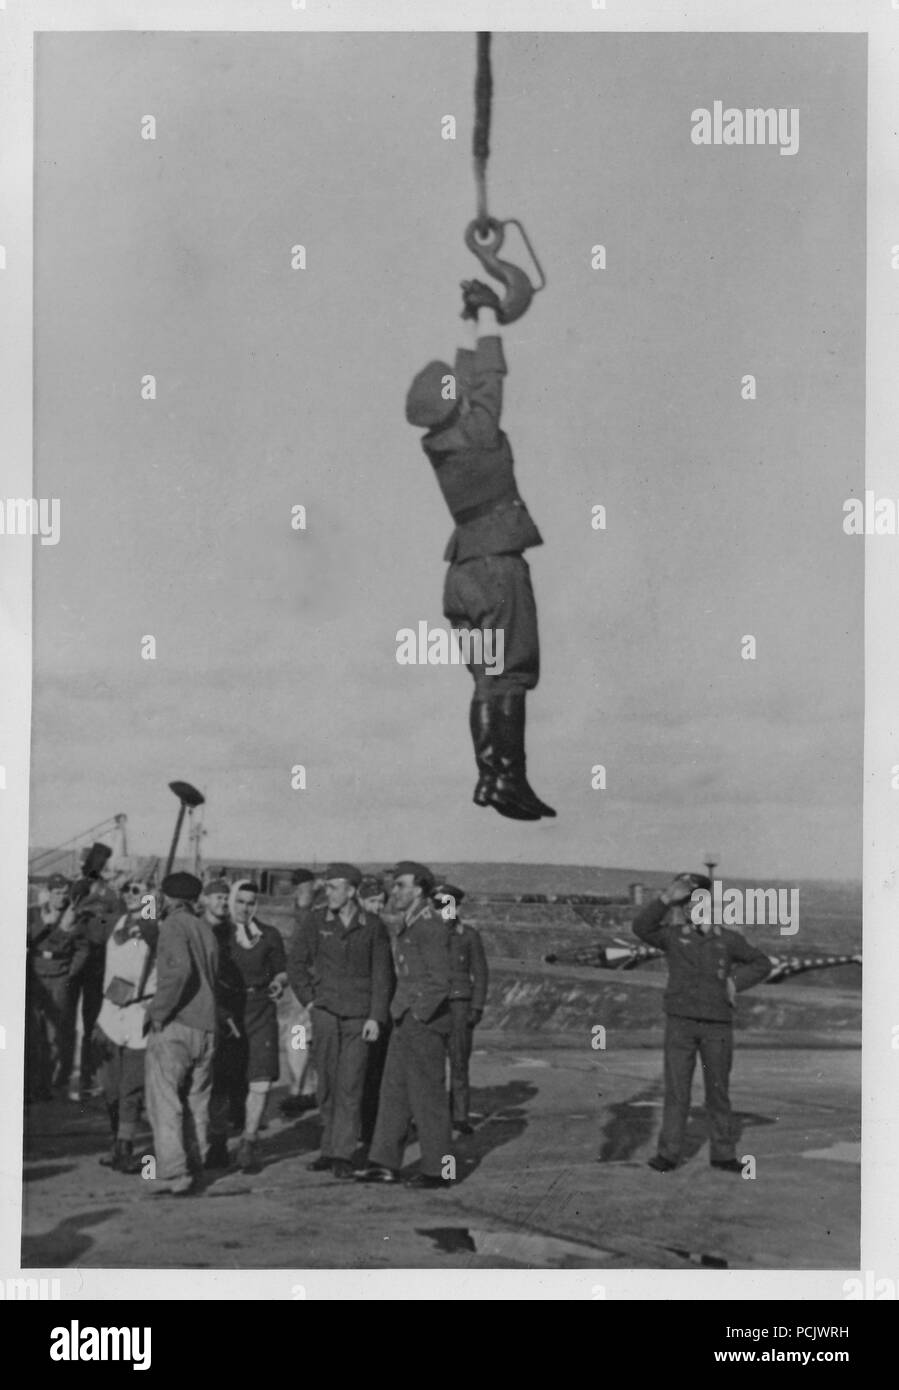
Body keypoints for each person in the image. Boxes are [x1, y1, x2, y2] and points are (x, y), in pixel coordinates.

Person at [405, 280, 555, 821]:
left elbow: (464, 384)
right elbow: (488, 379)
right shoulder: (479, 433)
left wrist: (470, 320)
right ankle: (505, 780)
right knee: (511, 673)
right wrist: (489, 315)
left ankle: (492, 779)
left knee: (488, 677)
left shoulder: (439, 440)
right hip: (496, 567)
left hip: (462, 574)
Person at [632, 872, 772, 1173]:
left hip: (716, 1026)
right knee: (677, 1090)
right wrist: (665, 899)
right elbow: (641, 927)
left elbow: (762, 963)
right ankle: (668, 1154)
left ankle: (723, 1154)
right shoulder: (673, 936)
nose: (691, 909)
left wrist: (735, 982)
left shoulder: (728, 940)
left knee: (718, 1091)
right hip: (680, 1023)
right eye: (685, 904)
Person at [288, 863, 392, 1179]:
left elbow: (382, 976)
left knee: (351, 1084)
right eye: (327, 887)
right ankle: (328, 1148)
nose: (328, 892)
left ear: (351, 891)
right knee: (328, 1086)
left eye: (334, 887)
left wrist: (376, 1016)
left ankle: (343, 1154)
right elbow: (296, 964)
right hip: (325, 1015)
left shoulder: (372, 925)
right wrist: (309, 1000)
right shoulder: (315, 922)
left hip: (359, 1018)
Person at [357, 861, 454, 1190]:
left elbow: (441, 983)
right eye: (393, 885)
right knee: (393, 1094)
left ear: (420, 889)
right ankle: (383, 1163)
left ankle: (439, 1170)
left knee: (428, 1099)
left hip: (423, 1023)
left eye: (400, 885)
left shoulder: (431, 926)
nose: (393, 891)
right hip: (405, 1019)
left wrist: (417, 1015)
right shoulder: (411, 923)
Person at [144, 872, 219, 1196]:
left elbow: (179, 971)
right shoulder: (205, 928)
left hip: (178, 1025)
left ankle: (174, 1171)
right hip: (207, 1027)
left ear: (168, 897)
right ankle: (197, 1165)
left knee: (164, 1100)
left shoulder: (173, 926)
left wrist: (158, 1012)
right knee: (196, 1102)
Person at [220, 879, 288, 1173]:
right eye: (240, 901)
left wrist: (278, 982)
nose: (245, 908)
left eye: (250, 902)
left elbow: (282, 971)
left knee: (260, 1078)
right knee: (224, 1078)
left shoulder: (269, 935)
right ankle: (217, 1143)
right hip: (229, 1012)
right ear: (231, 902)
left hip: (260, 1010)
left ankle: (249, 1142)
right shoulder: (219, 935)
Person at [93, 879, 158, 1172]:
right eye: (128, 890)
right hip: (110, 1011)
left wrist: (149, 908)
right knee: (110, 1085)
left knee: (132, 1085)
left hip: (138, 1011)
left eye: (139, 890)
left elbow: (153, 933)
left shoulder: (156, 925)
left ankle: (125, 1146)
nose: (132, 896)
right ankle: (114, 1138)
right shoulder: (115, 922)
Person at [68, 843, 123, 1100]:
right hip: (72, 960)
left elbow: (120, 922)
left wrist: (95, 917)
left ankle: (89, 1074)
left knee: (93, 1020)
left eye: (100, 863)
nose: (97, 867)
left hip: (99, 961)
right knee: (65, 1019)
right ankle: (65, 1073)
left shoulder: (110, 893)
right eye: (94, 862)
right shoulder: (76, 888)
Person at [26, 873, 88, 1100]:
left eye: (65, 893)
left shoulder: (74, 916)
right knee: (33, 1031)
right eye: (57, 892)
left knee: (55, 1034)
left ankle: (46, 1083)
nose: (61, 898)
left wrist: (70, 972)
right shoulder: (34, 913)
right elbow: (25, 939)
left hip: (59, 977)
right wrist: (46, 923)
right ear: (48, 892)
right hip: (35, 976)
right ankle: (29, 1082)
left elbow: (82, 948)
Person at [433, 882, 488, 1135]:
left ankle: (460, 1116)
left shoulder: (468, 936)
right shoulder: (427, 934)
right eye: (439, 904)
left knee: (458, 1063)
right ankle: (430, 1114)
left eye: (448, 905)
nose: (443, 909)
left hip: (459, 1006)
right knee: (429, 1064)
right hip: (431, 1006)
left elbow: (480, 973)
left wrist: (476, 1008)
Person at [203, 878, 245, 1168]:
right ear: (205, 900)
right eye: (215, 896)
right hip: (202, 1012)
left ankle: (217, 1143)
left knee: (221, 1082)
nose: (220, 901)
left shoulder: (235, 932)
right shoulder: (195, 928)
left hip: (230, 1013)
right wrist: (148, 901)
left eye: (224, 897)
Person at [279, 869, 319, 1119]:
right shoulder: (302, 910)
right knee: (300, 1039)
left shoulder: (312, 911)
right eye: (296, 887)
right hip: (300, 984)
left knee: (299, 1037)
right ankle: (303, 1088)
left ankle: (302, 1090)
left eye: (302, 886)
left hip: (310, 984)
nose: (298, 891)